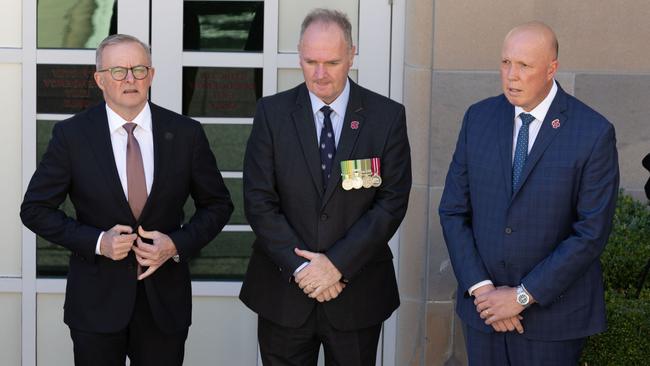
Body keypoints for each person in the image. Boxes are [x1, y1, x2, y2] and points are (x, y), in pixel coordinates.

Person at [20, 34, 233, 365]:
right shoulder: (72, 135)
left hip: (164, 303)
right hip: (95, 303)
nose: (130, 79)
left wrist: (175, 245)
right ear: (100, 79)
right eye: (118, 71)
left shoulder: (186, 133)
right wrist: (97, 242)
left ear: (151, 75)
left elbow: (219, 205)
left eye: (138, 69)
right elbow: (34, 209)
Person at [439, 22, 619, 365]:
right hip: (484, 313)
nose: (511, 76)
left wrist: (522, 296)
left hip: (554, 321)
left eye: (524, 65)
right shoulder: (478, 118)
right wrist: (483, 290)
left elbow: (591, 232)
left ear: (552, 68)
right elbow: (453, 211)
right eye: (506, 63)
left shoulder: (593, 132)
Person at [239, 8, 411, 365]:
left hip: (357, 294)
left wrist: (337, 265)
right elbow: (258, 200)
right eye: (310, 61)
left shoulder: (386, 117)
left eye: (331, 62)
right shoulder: (272, 114)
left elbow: (391, 202)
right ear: (299, 55)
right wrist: (304, 269)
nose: (319, 75)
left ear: (352, 54)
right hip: (284, 293)